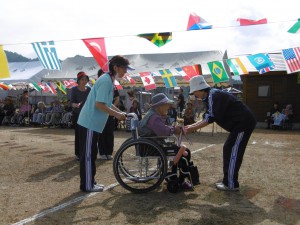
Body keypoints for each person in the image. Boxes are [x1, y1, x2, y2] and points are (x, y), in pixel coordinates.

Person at [185, 76, 256, 191]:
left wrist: (191, 128)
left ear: (200, 89)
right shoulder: (209, 97)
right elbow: (207, 116)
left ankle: (231, 184)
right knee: (228, 148)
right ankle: (228, 181)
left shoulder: (213, 95)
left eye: (194, 92)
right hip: (239, 124)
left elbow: (210, 118)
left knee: (233, 151)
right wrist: (190, 126)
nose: (194, 95)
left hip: (243, 123)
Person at [77, 55, 129, 192]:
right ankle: (87, 185)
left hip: (92, 124)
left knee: (92, 154)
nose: (126, 71)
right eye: (124, 68)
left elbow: (107, 103)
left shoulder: (109, 80)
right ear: (116, 67)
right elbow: (99, 104)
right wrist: (117, 115)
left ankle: (91, 182)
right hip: (89, 122)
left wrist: (120, 112)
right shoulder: (106, 81)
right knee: (88, 155)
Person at [138, 93, 193, 189]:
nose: (168, 107)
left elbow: (162, 129)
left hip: (152, 144)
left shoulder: (153, 115)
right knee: (181, 152)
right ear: (160, 106)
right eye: (167, 105)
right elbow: (162, 131)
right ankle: (178, 179)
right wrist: (174, 129)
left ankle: (177, 176)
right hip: (152, 146)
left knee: (184, 151)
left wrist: (173, 128)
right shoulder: (154, 117)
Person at [97, 69, 120, 160]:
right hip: (100, 113)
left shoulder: (113, 87)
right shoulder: (98, 86)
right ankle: (102, 152)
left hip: (110, 114)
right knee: (101, 133)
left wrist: (111, 110)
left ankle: (109, 152)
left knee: (110, 133)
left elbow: (117, 99)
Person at [71, 72, 91, 161]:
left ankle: (85, 152)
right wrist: (75, 105)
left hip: (87, 115)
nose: (84, 81)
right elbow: (71, 102)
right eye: (82, 79)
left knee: (87, 134)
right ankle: (78, 154)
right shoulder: (74, 89)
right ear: (78, 81)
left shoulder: (89, 89)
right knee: (78, 134)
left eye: (86, 79)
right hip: (77, 114)